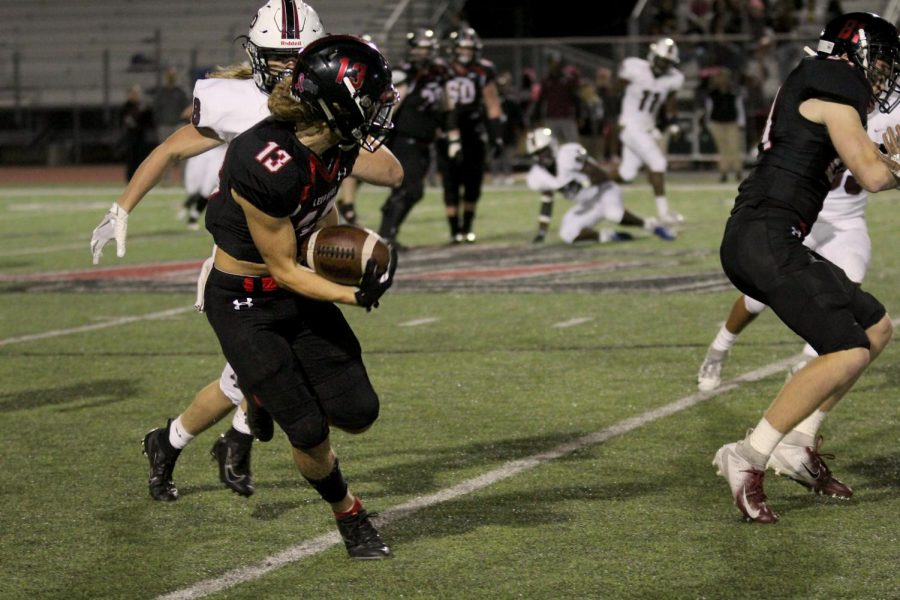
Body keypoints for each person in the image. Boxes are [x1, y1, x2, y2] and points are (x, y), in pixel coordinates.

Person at [90, 0, 326, 501]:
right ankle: (219, 441)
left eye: (295, 56)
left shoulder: (329, 98)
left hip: (297, 258)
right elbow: (171, 148)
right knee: (261, 374)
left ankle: (182, 442)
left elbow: (365, 167)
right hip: (243, 264)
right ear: (256, 54)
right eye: (276, 56)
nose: (286, 67)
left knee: (248, 378)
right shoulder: (236, 102)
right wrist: (123, 208)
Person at [203, 34, 400, 559]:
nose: (383, 105)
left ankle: (264, 390)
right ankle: (350, 516)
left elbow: (373, 184)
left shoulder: (338, 139)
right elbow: (285, 269)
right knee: (310, 431)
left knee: (359, 412)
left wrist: (346, 249)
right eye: (374, 96)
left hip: (296, 287)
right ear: (336, 106)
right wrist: (354, 294)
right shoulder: (264, 160)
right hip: (247, 300)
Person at [711, 12, 899, 524]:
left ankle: (798, 440)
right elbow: (871, 174)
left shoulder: (821, 79)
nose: (883, 76)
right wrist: (893, 166)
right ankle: (748, 455)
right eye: (881, 62)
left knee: (875, 328)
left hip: (771, 233)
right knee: (846, 349)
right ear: (856, 52)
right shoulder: (836, 80)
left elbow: (874, 172)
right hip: (765, 234)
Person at [697, 100, 900, 392]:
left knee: (848, 283)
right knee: (759, 297)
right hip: (806, 216)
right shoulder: (831, 102)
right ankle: (719, 348)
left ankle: (806, 363)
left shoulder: (892, 111)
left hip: (848, 221)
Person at [525, 127, 675, 244]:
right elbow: (547, 199)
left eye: (544, 152)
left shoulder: (567, 154)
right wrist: (542, 232)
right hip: (588, 203)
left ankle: (650, 225)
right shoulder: (537, 175)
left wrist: (585, 183)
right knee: (567, 234)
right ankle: (607, 236)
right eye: (538, 154)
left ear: (553, 146)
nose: (542, 157)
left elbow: (601, 174)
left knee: (613, 214)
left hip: (604, 191)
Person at [376, 27, 451, 248]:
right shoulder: (404, 74)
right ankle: (386, 234)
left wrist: (445, 127)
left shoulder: (438, 73)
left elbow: (444, 104)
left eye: (427, 49)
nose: (424, 54)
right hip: (405, 140)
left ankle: (388, 234)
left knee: (414, 192)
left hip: (425, 141)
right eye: (420, 49)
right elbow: (391, 107)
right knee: (410, 189)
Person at [439, 26, 504, 243]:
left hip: (473, 130)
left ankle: (466, 227)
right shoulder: (441, 69)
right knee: (450, 181)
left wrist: (496, 135)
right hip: (448, 129)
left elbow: (492, 102)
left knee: (472, 181)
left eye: (470, 48)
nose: (466, 52)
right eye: (462, 48)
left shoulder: (483, 69)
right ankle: (454, 230)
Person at [615, 37, 685, 225]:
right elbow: (615, 91)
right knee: (658, 163)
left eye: (667, 62)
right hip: (630, 124)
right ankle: (664, 213)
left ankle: (590, 187)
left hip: (647, 127)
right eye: (661, 60)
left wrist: (673, 123)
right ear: (652, 56)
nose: (663, 65)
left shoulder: (673, 78)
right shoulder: (634, 67)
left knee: (626, 173)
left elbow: (670, 103)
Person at [703, 67, 745, 183]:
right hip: (716, 123)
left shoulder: (734, 92)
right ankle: (724, 172)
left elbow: (739, 108)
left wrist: (741, 122)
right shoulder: (712, 94)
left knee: (734, 147)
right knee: (722, 149)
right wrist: (708, 123)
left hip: (732, 122)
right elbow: (709, 109)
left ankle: (738, 171)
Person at [153, 67, 190, 186]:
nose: (171, 78)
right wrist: (159, 122)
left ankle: (184, 180)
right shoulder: (161, 93)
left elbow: (187, 109)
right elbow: (156, 109)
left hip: (178, 125)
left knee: (183, 154)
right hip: (164, 125)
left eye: (173, 75)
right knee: (164, 155)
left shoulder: (180, 92)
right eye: (170, 75)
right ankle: (166, 180)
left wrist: (184, 123)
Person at [180, 143, 227, 230]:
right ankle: (187, 205)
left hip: (221, 152)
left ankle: (192, 219)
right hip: (203, 150)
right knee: (193, 189)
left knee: (207, 190)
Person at [120, 84, 156, 182]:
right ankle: (130, 180)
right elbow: (125, 121)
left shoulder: (144, 107)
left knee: (142, 159)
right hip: (130, 136)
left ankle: (141, 179)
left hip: (141, 136)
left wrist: (146, 111)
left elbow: (150, 122)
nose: (135, 95)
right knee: (131, 159)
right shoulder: (125, 106)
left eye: (137, 93)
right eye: (133, 93)